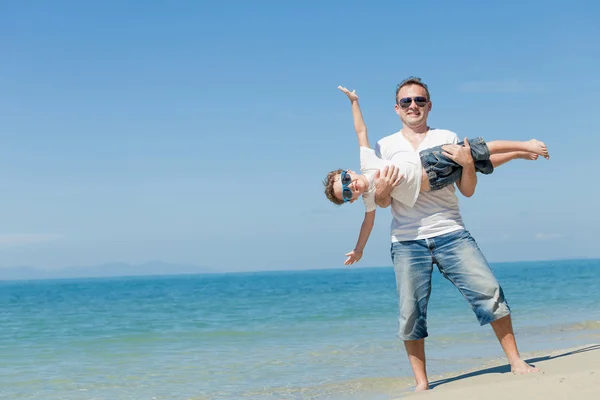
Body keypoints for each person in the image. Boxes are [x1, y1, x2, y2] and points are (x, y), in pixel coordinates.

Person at [370, 76, 541, 391]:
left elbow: (468, 190)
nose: (413, 106)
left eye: (419, 100)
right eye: (406, 101)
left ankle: (516, 362)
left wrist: (467, 164)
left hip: (450, 231)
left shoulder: (446, 136)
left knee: (489, 292)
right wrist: (380, 190)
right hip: (407, 242)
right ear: (396, 108)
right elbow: (381, 202)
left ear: (429, 105)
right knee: (410, 314)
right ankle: (422, 384)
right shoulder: (384, 146)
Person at [323, 85, 549, 265]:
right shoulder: (368, 199)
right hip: (436, 182)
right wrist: (359, 249)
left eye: (345, 179)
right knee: (479, 164)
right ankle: (517, 154)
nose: (349, 186)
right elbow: (367, 225)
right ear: (350, 200)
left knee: (476, 150)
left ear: (349, 171)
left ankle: (525, 144)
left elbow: (360, 130)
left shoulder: (367, 162)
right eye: (345, 193)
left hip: (430, 161)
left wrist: (354, 102)